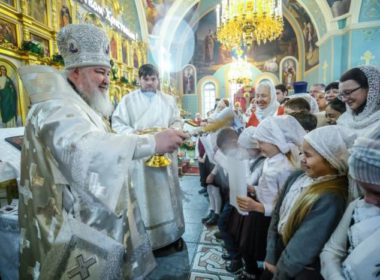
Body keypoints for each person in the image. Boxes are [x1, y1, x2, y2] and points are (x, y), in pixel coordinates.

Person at [17, 24, 187, 279]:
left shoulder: (78, 104)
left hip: (94, 228)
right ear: (75, 72)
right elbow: (84, 150)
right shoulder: (53, 108)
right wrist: (151, 142)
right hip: (71, 231)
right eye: (99, 72)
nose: (107, 80)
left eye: (107, 72)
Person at [262, 126, 357, 280]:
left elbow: (303, 248)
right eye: (301, 152)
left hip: (298, 267)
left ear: (331, 160)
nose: (301, 159)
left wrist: (279, 274)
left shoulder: (331, 197)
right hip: (280, 251)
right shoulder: (297, 177)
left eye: (308, 155)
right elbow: (276, 215)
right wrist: (271, 255)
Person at [112, 63, 185, 250]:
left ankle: (172, 234)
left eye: (153, 79)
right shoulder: (128, 100)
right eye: (146, 79)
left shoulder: (168, 100)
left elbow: (177, 121)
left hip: (165, 156)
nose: (150, 82)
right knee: (144, 197)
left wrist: (171, 133)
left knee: (167, 195)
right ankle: (148, 238)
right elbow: (118, 124)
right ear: (139, 80)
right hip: (141, 159)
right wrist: (138, 137)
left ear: (158, 80)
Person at [237, 115, 306, 280]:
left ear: (277, 141)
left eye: (262, 142)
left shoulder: (286, 167)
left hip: (269, 216)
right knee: (248, 246)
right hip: (259, 207)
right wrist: (253, 189)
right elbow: (268, 188)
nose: (259, 147)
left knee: (260, 248)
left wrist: (258, 207)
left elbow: (285, 203)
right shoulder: (271, 159)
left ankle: (255, 273)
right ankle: (252, 270)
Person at [320, 127, 380, 280]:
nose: (367, 200)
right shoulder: (359, 207)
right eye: (363, 189)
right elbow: (331, 252)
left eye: (377, 193)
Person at [337, 65, 380, 135]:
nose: (344, 100)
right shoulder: (344, 119)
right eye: (341, 95)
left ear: (370, 88)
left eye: (347, 93)